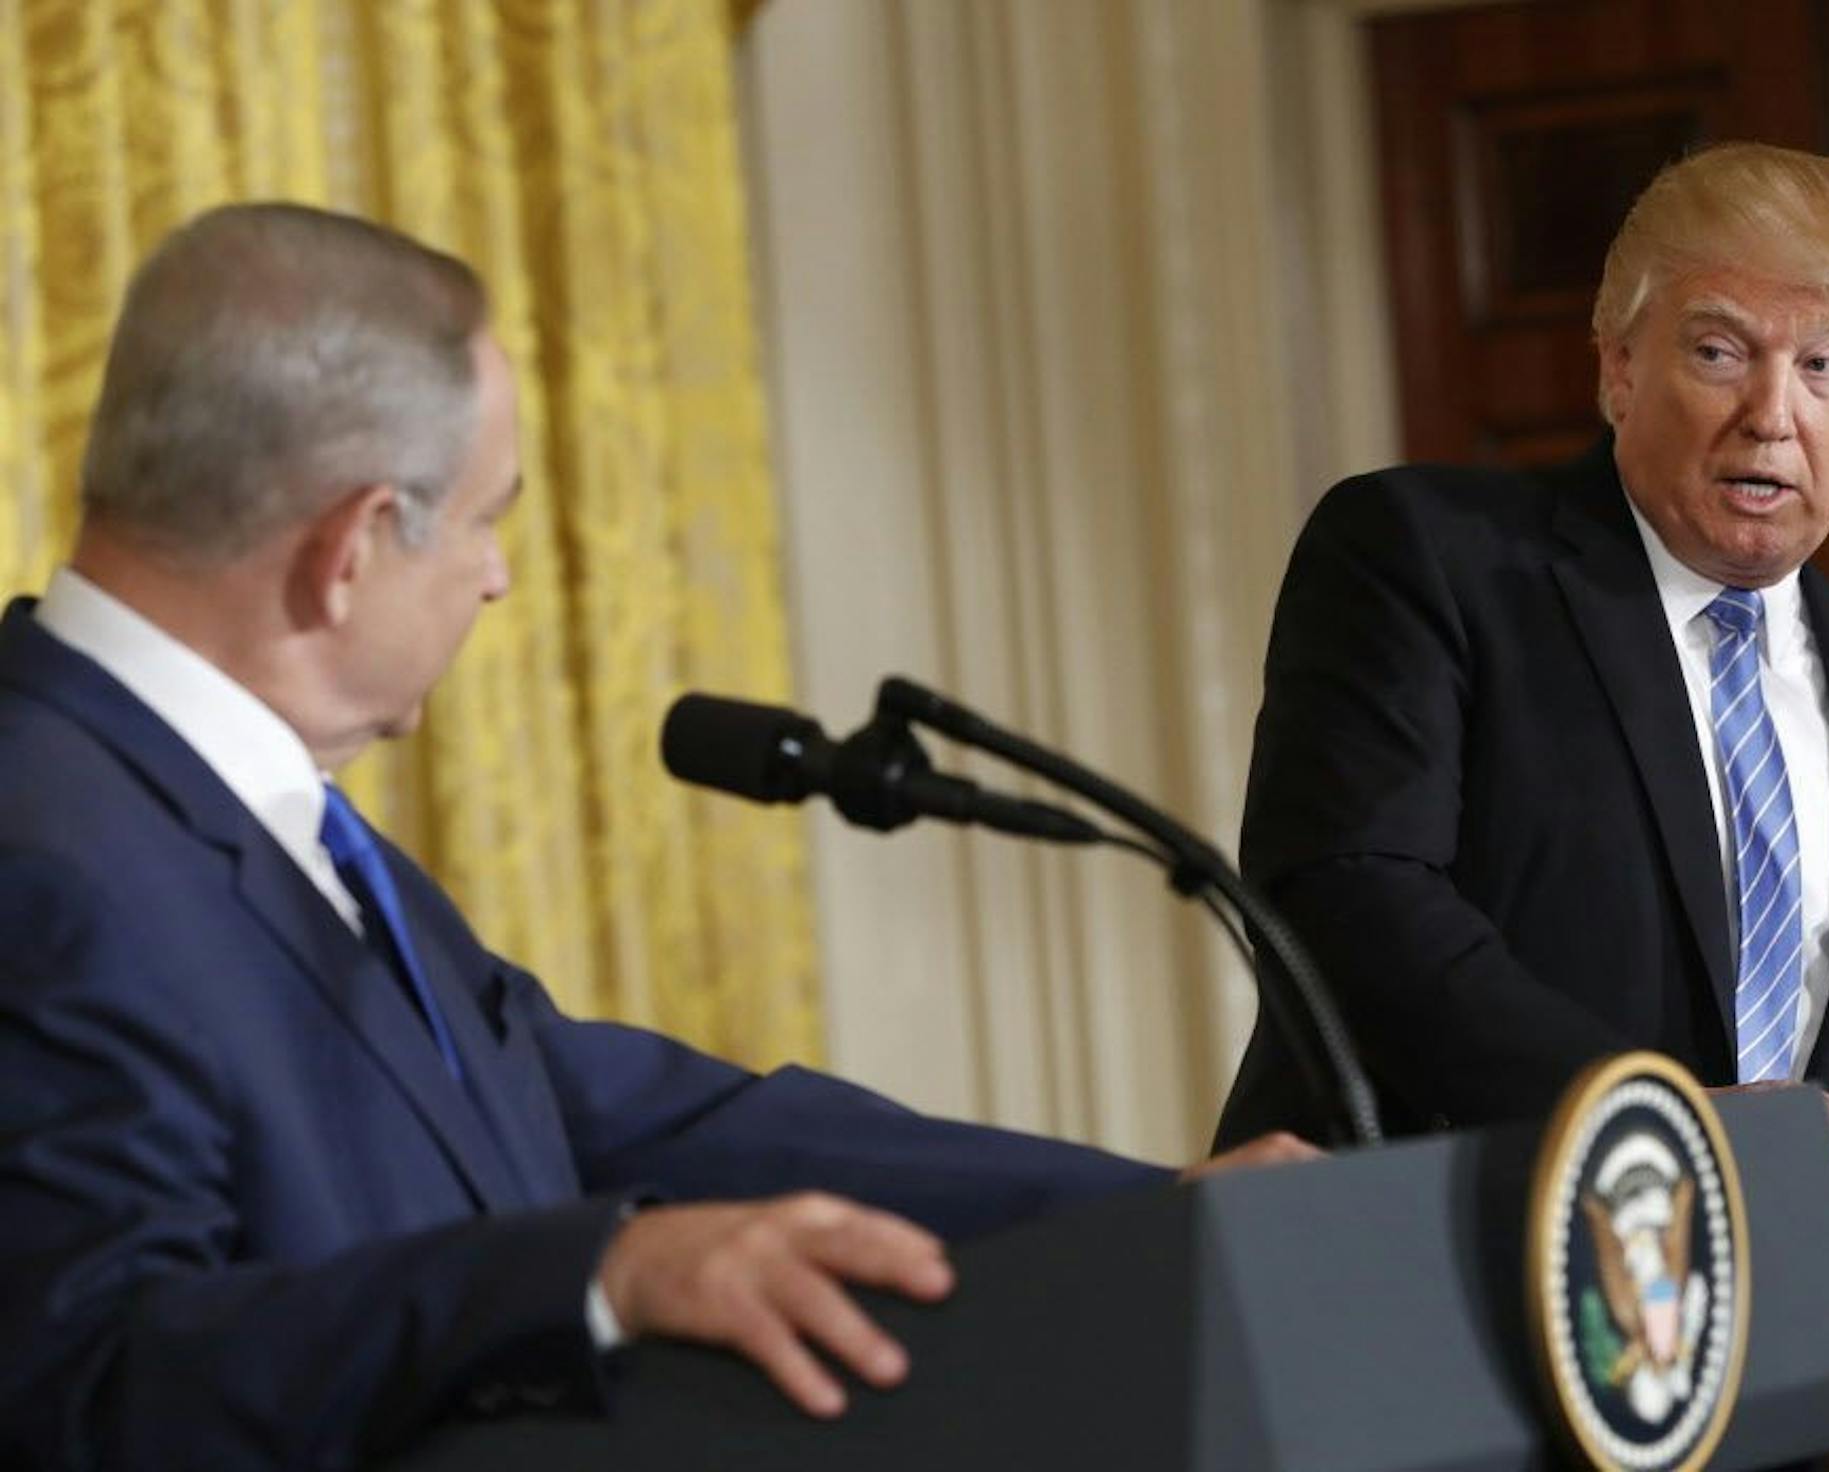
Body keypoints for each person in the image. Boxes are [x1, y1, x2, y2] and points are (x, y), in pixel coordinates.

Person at [0, 202, 1312, 1472]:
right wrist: (597, 1277)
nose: (497, 574)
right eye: (485, 517)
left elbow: (598, 1106)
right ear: (352, 547)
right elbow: (92, 1380)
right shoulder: (43, 848)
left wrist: (1139, 1212)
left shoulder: (242, 803)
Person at [1215, 142, 1829, 1159]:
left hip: (1759, 1290)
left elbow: (1820, 1079)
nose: (1771, 415)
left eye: (1824, 364)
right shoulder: (1431, 556)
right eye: (1719, 351)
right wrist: (1656, 1120)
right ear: (1619, 366)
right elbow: (1348, 896)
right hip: (1435, 1247)